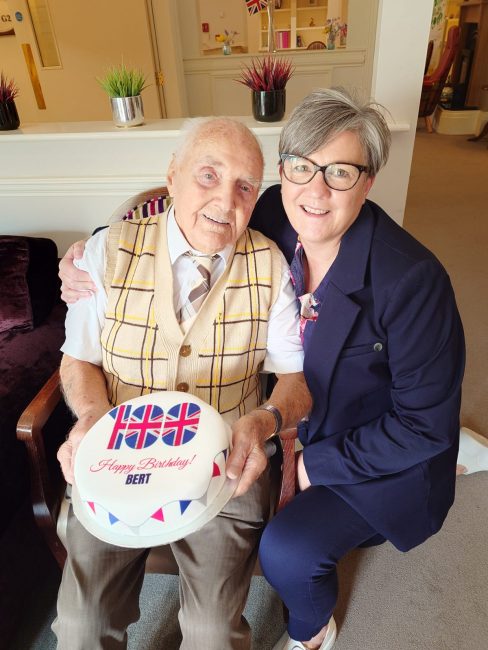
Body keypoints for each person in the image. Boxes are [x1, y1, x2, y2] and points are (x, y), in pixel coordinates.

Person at [59, 90, 482, 650]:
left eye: (341, 171)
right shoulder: (266, 210)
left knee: (287, 553)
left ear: (369, 181)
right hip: (252, 432)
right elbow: (164, 221)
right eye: (302, 167)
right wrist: (86, 254)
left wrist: (307, 465)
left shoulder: (411, 282)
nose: (315, 189)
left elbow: (422, 426)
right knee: (80, 626)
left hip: (366, 437)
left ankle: (312, 633)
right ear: (283, 172)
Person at [54, 116, 311, 650]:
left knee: (212, 634)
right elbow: (78, 360)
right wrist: (89, 420)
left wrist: (264, 421)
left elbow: (295, 380)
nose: (226, 199)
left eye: (245, 186)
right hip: (115, 462)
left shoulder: (271, 266)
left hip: (225, 472)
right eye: (208, 175)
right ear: (172, 176)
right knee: (80, 629)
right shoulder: (104, 253)